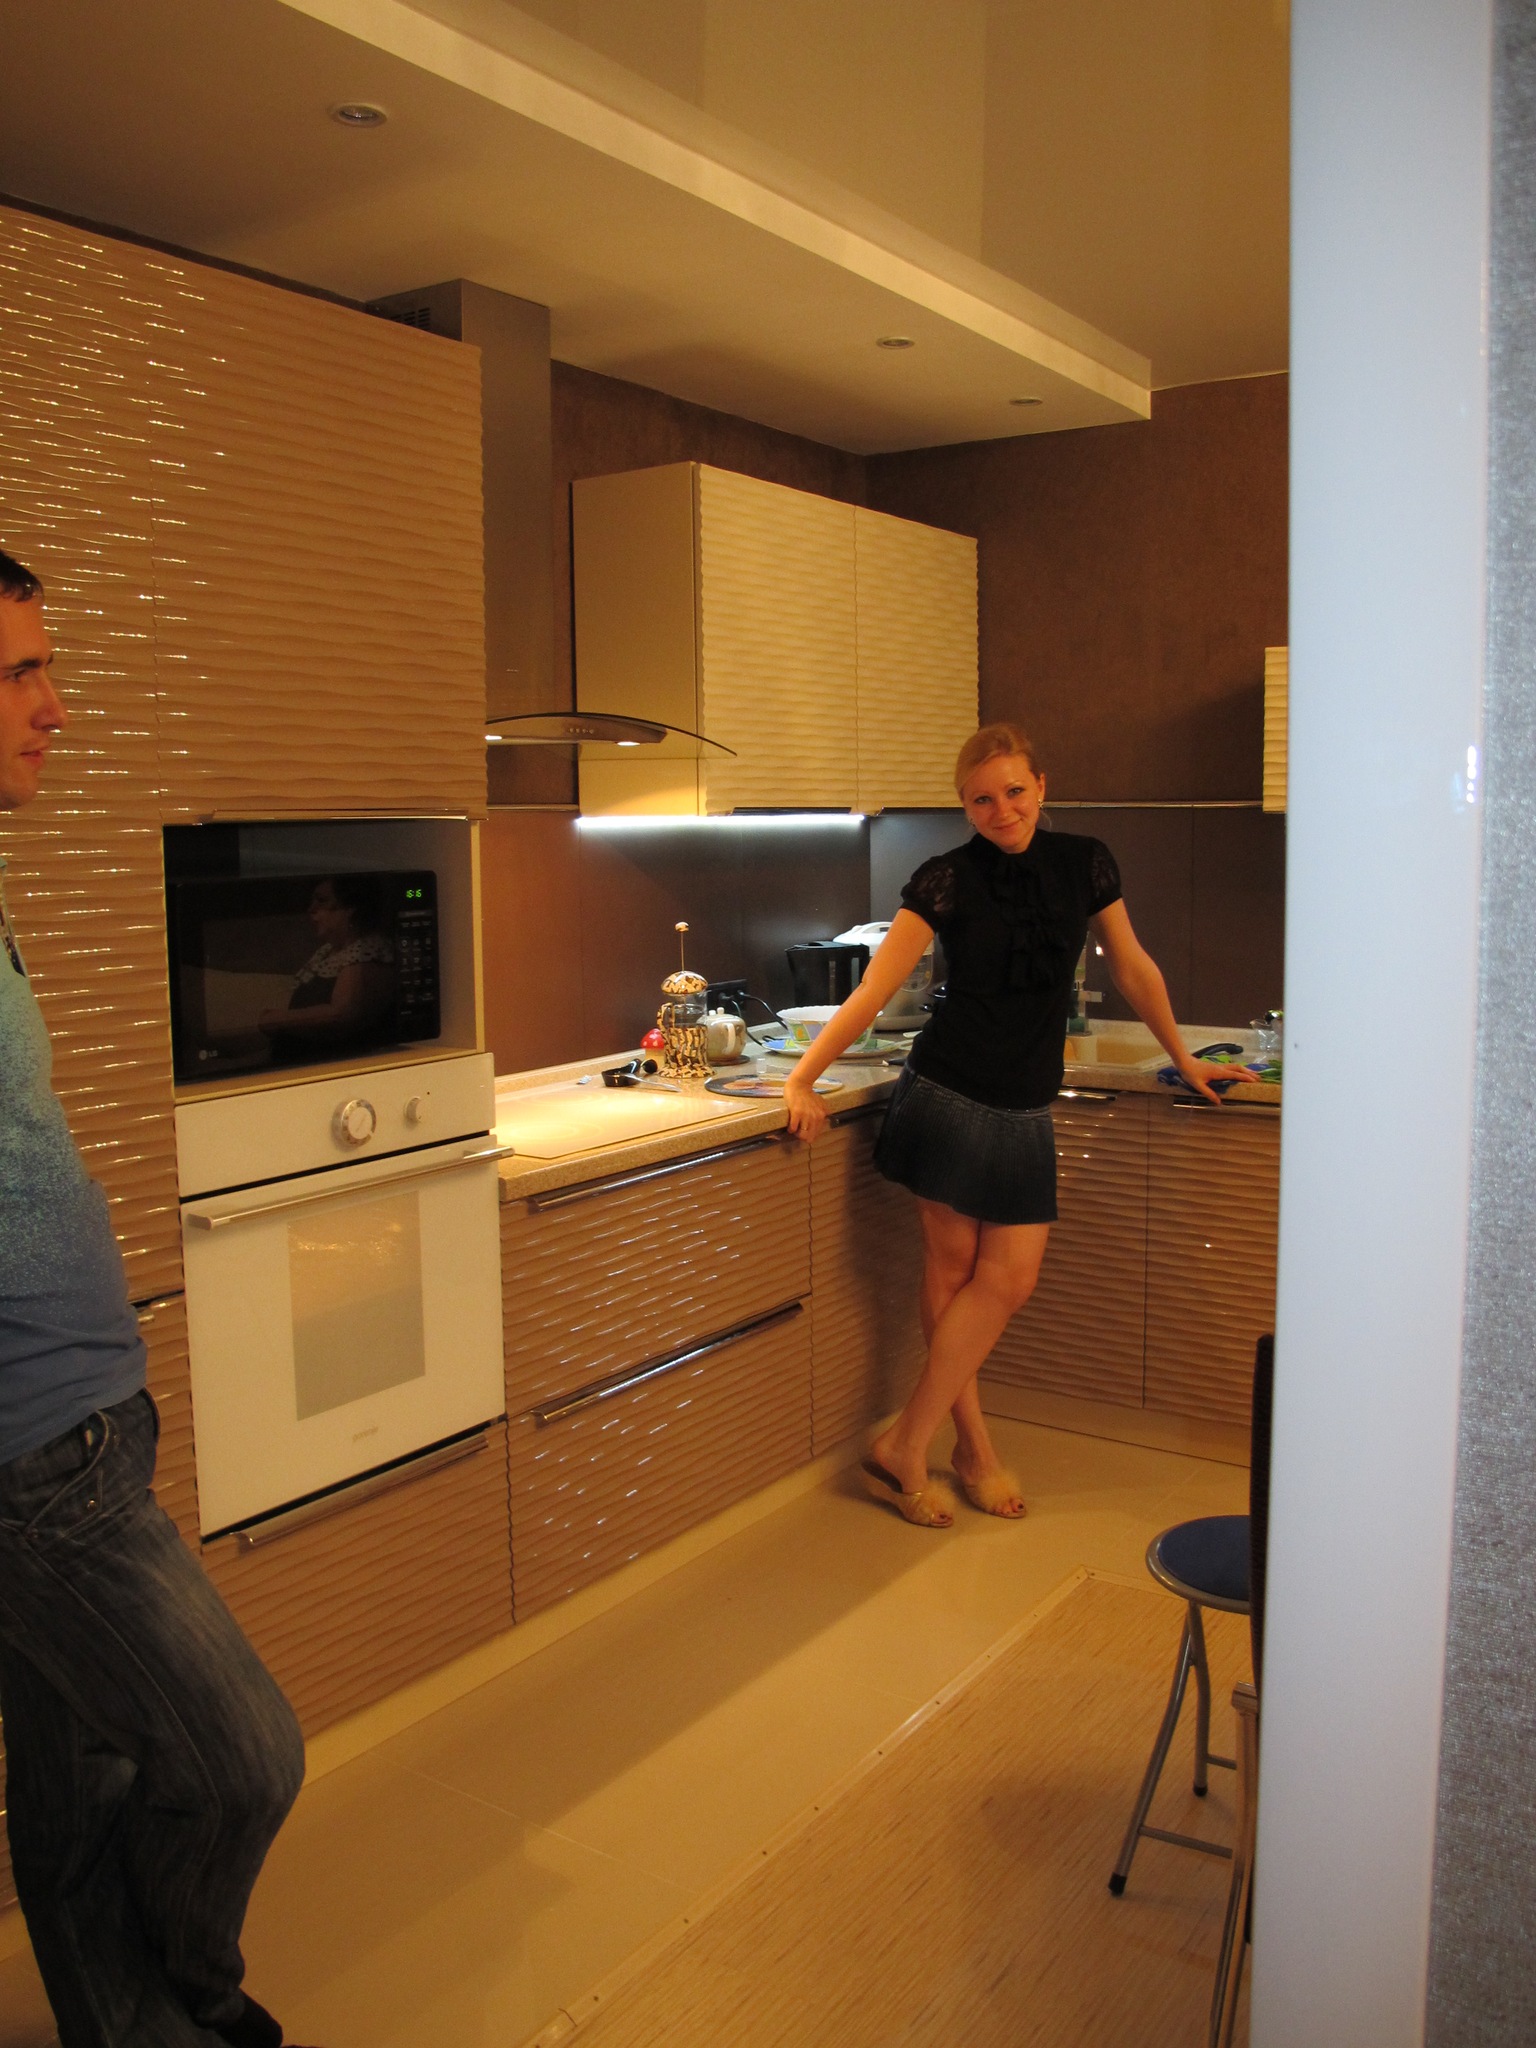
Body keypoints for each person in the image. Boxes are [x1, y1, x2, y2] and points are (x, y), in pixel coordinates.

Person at [0, 548, 317, 2048]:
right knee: (242, 1755)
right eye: (19, 673)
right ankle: (188, 2000)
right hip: (28, 1453)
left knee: (79, 1786)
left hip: (88, 1416)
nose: (55, 705)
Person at [783, 722, 1233, 1528]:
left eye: (1014, 791)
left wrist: (1185, 1058)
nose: (1002, 810)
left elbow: (1133, 967)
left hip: (1025, 1103)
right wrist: (801, 1077)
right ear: (965, 807)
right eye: (981, 800)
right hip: (948, 1095)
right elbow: (875, 989)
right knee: (954, 1275)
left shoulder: (1085, 863)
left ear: (1041, 786)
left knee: (1009, 1281)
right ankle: (973, 1450)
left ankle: (906, 1441)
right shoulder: (946, 880)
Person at [257, 876, 397, 1055]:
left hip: (330, 1059)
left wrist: (279, 1019)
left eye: (322, 901)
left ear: (350, 909)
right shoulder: (328, 951)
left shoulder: (369, 951)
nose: (311, 909)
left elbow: (343, 1013)